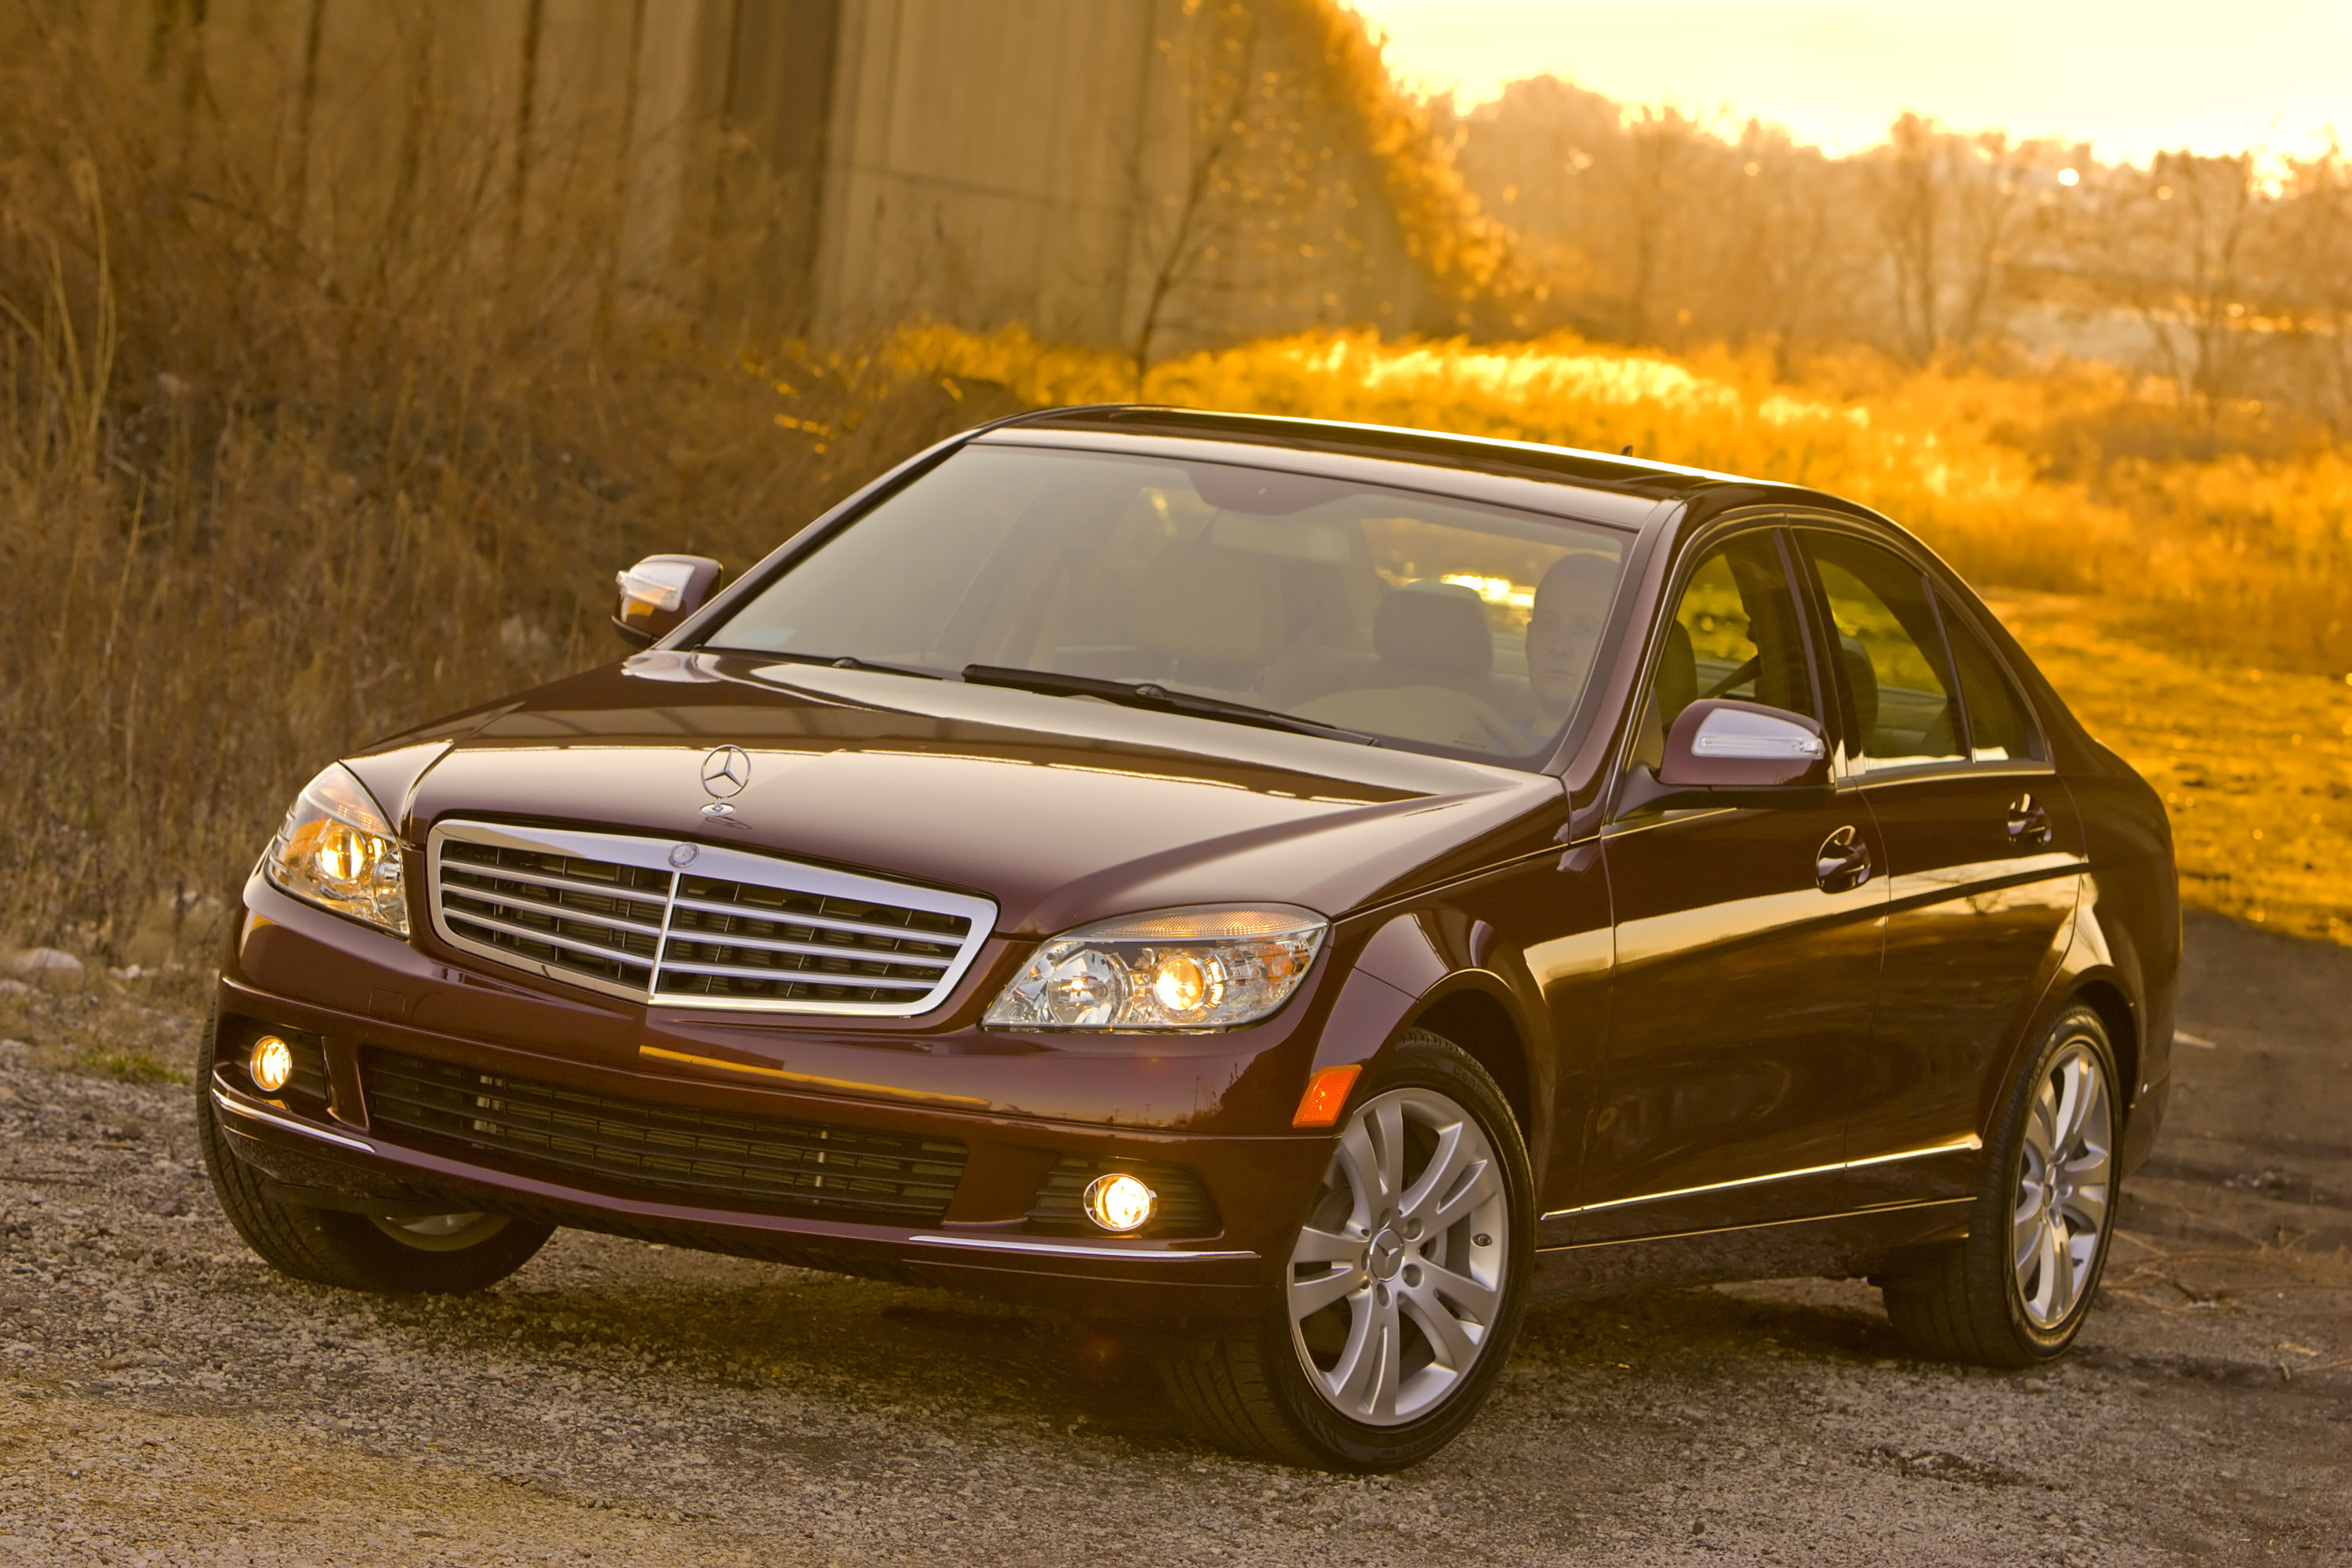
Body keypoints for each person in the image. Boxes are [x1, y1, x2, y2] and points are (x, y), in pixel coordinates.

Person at [1524, 551, 1616, 735]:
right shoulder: (1479, 742)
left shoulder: (1626, 761)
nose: (1559, 647)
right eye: (1547, 623)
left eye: (1584, 629)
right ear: (1528, 639)